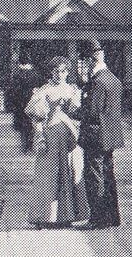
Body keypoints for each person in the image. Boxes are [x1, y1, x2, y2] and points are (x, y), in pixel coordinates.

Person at [25, 56, 90, 227]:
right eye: (56, 71)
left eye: (63, 71)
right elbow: (37, 118)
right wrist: (40, 137)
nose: (60, 74)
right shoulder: (44, 91)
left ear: (67, 72)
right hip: (51, 135)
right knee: (49, 173)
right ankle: (47, 217)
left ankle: (67, 215)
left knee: (68, 172)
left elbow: (78, 114)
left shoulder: (72, 90)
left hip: (68, 135)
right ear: (51, 72)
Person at [76, 39, 124, 229]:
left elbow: (92, 111)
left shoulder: (97, 82)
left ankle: (97, 218)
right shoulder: (112, 78)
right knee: (108, 175)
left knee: (94, 175)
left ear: (90, 60)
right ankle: (112, 216)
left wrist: (71, 110)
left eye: (84, 62)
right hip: (110, 135)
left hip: (96, 135)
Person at [5, 54, 42, 154]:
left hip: (20, 104)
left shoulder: (17, 75)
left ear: (21, 64)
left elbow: (11, 91)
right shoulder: (36, 74)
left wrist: (11, 104)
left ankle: (25, 146)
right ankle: (30, 146)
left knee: (22, 126)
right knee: (31, 125)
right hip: (33, 103)